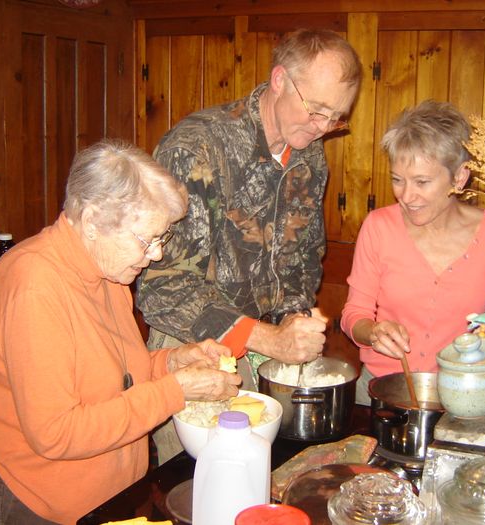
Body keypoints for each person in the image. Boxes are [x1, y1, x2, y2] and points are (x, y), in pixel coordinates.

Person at [0, 140, 241, 525]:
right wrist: (176, 390)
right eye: (148, 240)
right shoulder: (35, 287)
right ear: (92, 221)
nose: (157, 254)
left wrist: (173, 361)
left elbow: (115, 378)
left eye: (163, 238)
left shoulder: (108, 269)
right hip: (33, 502)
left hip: (107, 498)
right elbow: (56, 432)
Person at [135, 29, 362, 463]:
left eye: (335, 118)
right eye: (315, 110)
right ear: (279, 80)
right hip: (195, 355)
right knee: (196, 492)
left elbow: (303, 258)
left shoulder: (309, 154)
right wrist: (270, 339)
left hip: (270, 356)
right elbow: (165, 288)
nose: (321, 128)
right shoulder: (198, 147)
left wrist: (297, 322)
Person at [340, 100, 485, 406]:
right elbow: (353, 314)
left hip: (466, 396)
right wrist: (372, 332)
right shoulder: (379, 227)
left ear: (459, 177)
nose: (406, 196)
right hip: (380, 392)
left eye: (422, 182)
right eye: (397, 180)